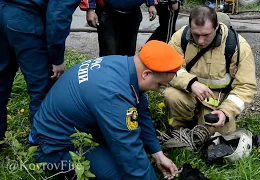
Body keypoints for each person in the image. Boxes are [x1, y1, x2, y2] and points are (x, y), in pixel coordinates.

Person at [30, 40, 184, 179]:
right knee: (121, 174)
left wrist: (157, 154)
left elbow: (139, 110)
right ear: (146, 74)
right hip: (55, 147)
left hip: (78, 129)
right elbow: (127, 149)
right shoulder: (113, 95)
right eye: (159, 85)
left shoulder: (124, 66)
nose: (158, 90)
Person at [163, 6, 257, 135]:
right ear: (190, 26)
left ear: (217, 26)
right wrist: (191, 84)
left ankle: (206, 125)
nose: (200, 41)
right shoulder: (180, 37)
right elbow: (168, 68)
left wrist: (226, 111)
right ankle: (180, 131)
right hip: (189, 92)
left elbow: (246, 86)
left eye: (206, 35)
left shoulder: (238, 46)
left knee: (217, 134)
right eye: (196, 34)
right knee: (172, 96)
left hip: (218, 102)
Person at [0, 0, 80, 141]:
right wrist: (56, 58)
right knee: (41, 87)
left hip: (3, 10)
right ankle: (42, 143)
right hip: (25, 20)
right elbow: (58, 15)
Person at [79, 0, 157, 57]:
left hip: (133, 12)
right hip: (107, 12)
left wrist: (151, 4)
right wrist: (89, 9)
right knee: (109, 53)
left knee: (128, 54)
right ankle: (109, 78)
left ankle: (124, 78)